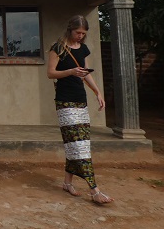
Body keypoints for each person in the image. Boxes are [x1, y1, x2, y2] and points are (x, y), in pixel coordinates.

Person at [47, 15, 114, 204]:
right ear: (70, 30)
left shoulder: (83, 49)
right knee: (79, 145)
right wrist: (70, 72)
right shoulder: (58, 48)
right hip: (65, 102)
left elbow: (85, 74)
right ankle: (95, 190)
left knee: (76, 143)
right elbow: (50, 73)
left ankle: (67, 183)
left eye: (83, 34)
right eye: (78, 32)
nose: (80, 36)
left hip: (80, 100)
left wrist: (97, 92)